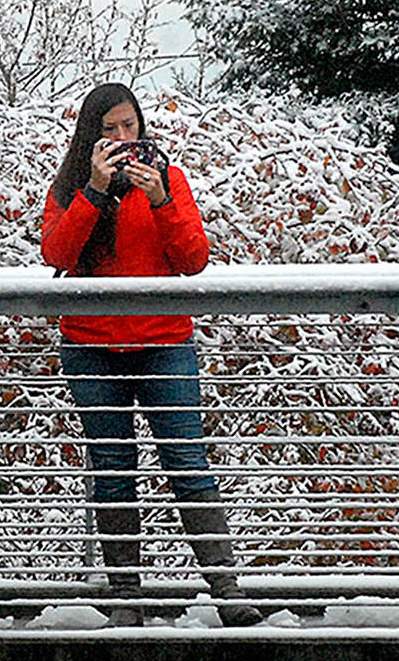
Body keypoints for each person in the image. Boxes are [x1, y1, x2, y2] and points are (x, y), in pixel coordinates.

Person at [40, 82, 261, 627]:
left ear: (142, 128)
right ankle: (125, 600)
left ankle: (227, 590)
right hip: (92, 347)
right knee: (113, 469)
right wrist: (93, 192)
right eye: (109, 129)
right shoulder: (70, 186)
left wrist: (161, 200)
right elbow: (57, 254)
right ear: (90, 136)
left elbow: (193, 260)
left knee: (187, 459)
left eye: (129, 127)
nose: (121, 138)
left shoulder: (169, 180)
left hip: (164, 342)